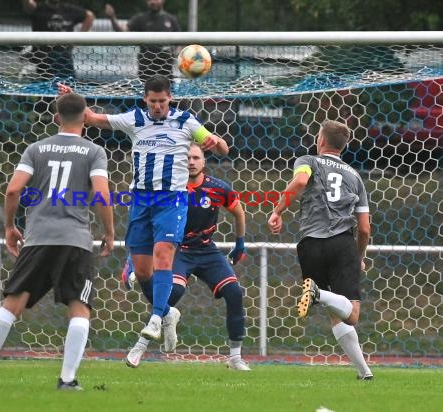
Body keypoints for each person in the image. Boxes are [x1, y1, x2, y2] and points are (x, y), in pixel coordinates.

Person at [58, 74, 229, 349]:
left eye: (162, 101)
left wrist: (215, 143)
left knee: (164, 256)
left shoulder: (185, 121)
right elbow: (91, 118)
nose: (158, 106)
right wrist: (69, 97)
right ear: (145, 99)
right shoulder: (135, 119)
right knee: (142, 270)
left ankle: (154, 318)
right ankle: (166, 312)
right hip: (140, 201)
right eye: (153, 101)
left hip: (171, 200)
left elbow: (221, 147)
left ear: (170, 98)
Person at [0, 93, 114, 391]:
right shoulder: (94, 152)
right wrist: (109, 231)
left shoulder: (36, 149)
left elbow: (12, 190)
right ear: (86, 117)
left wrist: (9, 226)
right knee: (79, 307)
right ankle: (68, 380)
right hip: (75, 241)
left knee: (12, 304)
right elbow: (101, 194)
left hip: (38, 239)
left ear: (56, 118)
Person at [123, 144, 250, 370]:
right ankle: (140, 346)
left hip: (207, 251)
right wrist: (132, 260)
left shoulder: (217, 188)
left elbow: (239, 212)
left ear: (203, 161)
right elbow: (146, 225)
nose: (191, 162)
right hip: (179, 251)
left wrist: (240, 243)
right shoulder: (169, 189)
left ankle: (236, 358)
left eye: (195, 157)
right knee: (172, 293)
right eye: (186, 158)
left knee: (234, 292)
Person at [267, 120, 373, 380]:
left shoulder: (308, 160)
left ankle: (364, 372)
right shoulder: (355, 176)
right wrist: (358, 257)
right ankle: (319, 294)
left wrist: (277, 210)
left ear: (321, 141)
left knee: (335, 312)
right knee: (352, 314)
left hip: (310, 243)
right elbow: (364, 230)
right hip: (342, 244)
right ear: (343, 145)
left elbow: (300, 181)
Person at [105, 0, 180, 81]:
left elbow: (180, 41)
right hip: (146, 69)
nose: (153, 2)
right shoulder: (140, 19)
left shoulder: (171, 19)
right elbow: (122, 31)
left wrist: (177, 53)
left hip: (166, 68)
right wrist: (112, 18)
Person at [22, 0, 95, 80]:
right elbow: (28, 5)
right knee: (45, 86)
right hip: (43, 58)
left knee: (66, 85)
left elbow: (89, 16)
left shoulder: (68, 9)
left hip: (64, 58)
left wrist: (78, 39)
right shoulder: (39, 9)